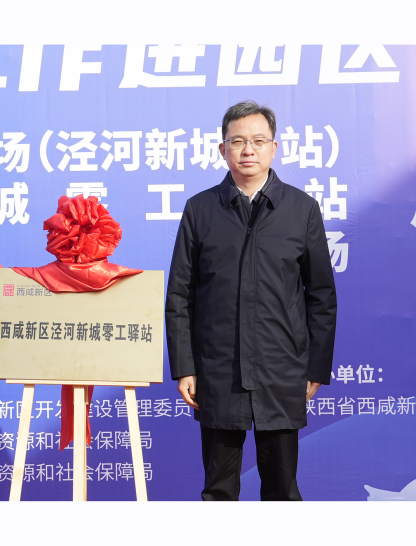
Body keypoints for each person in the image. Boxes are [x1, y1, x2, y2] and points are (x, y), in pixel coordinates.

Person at [165, 101, 337, 501]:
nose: (248, 150)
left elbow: (322, 296)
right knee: (219, 490)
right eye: (237, 141)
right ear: (222, 149)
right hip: (217, 370)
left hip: (282, 370)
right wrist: (185, 367)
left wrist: (315, 366)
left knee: (281, 490)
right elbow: (179, 295)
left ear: (273, 148)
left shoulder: (301, 209)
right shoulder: (200, 210)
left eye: (258, 141)